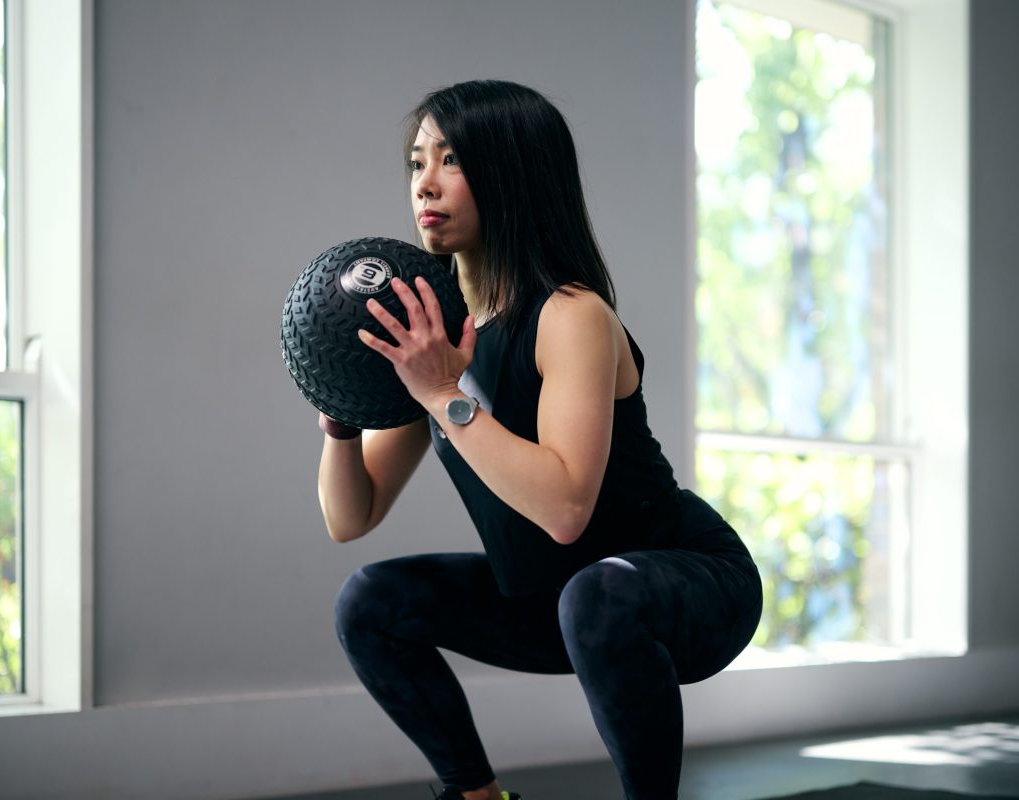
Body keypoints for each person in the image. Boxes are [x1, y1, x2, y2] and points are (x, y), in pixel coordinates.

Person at [317, 79, 762, 800]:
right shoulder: (434, 330)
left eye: (451, 160)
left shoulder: (571, 314)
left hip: (682, 584)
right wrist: (339, 414)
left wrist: (440, 393)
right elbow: (351, 517)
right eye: (416, 162)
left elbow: (564, 510)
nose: (424, 184)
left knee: (594, 597)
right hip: (547, 597)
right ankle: (478, 797)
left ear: (513, 173)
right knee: (369, 600)